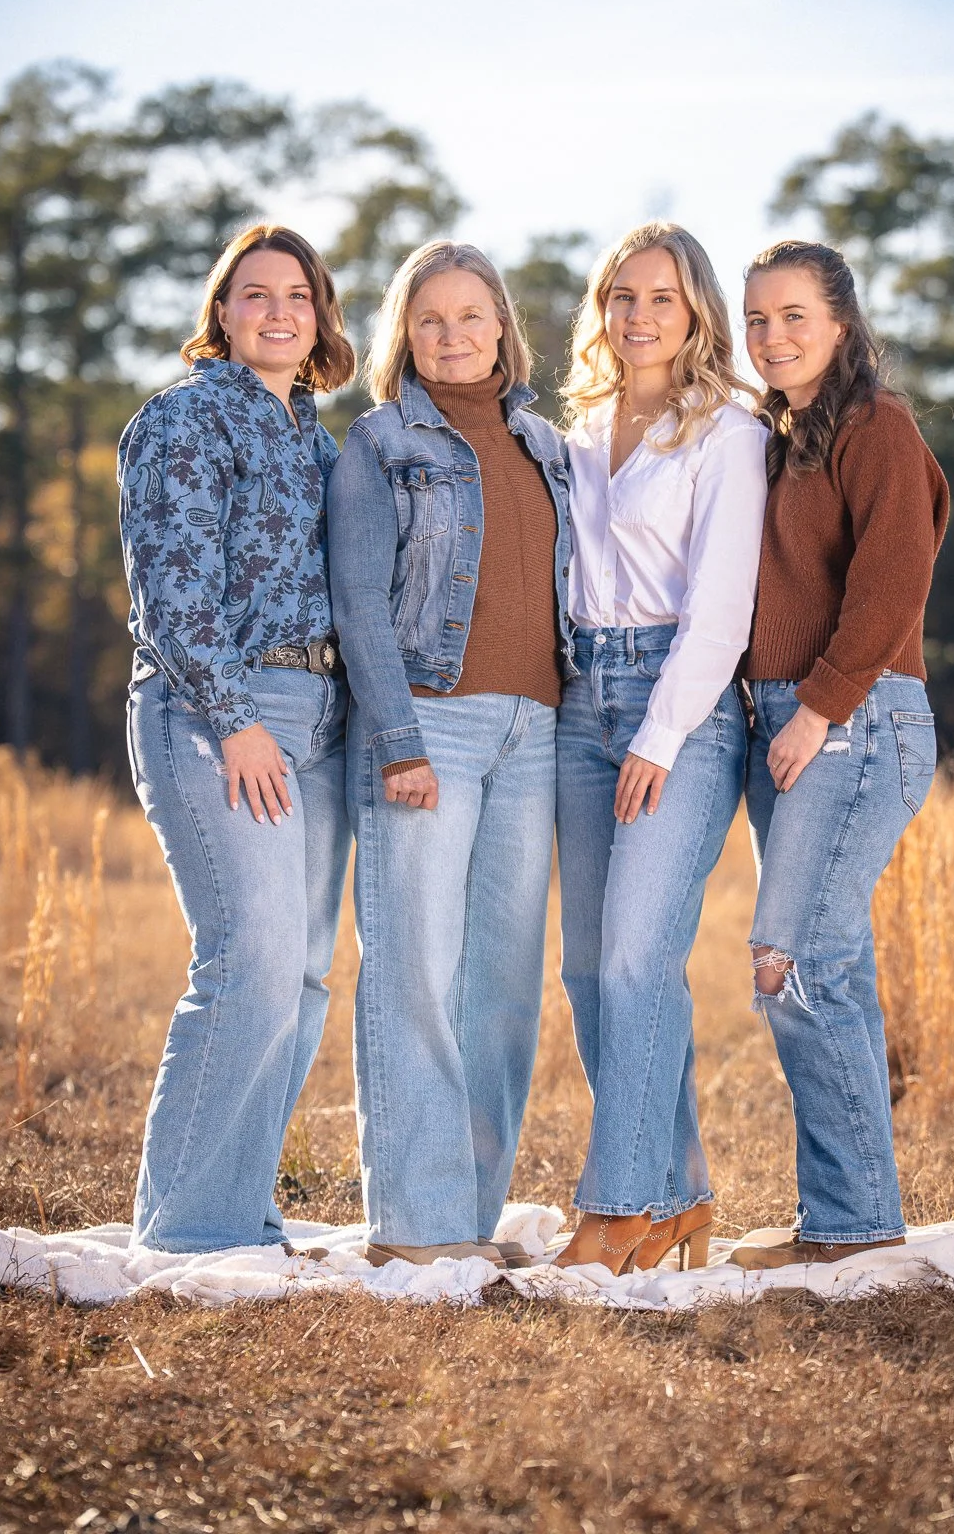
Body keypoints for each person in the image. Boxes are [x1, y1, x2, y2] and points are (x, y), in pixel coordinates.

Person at [327, 240, 574, 1268]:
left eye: (472, 315)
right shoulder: (378, 443)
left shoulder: (548, 443)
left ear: (503, 327)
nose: (453, 334)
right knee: (415, 976)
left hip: (536, 733)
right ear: (406, 335)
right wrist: (396, 741)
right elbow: (358, 607)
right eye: (431, 319)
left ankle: (468, 1216)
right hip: (428, 726)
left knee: (503, 987)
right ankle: (416, 1229)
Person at [119, 224, 355, 1253]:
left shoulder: (319, 439)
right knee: (247, 959)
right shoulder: (185, 419)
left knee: (299, 974)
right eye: (254, 294)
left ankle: (237, 1208)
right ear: (221, 313)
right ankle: (189, 1231)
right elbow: (172, 592)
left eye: (296, 296)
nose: (277, 311)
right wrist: (235, 719)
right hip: (219, 713)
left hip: (321, 718)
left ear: (320, 317)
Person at [553, 222, 768, 1275]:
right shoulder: (580, 424)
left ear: (697, 316)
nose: (638, 317)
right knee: (591, 971)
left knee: (642, 957)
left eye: (663, 300)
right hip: (575, 699)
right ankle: (678, 1195)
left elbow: (723, 607)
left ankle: (621, 1207)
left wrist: (663, 732)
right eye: (622, 297)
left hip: (677, 706)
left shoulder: (728, 430)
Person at [732, 239, 950, 1271]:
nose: (774, 336)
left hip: (857, 720)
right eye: (758, 319)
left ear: (843, 324)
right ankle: (855, 1217)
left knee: (794, 963)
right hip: (794, 720)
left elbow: (893, 579)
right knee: (833, 965)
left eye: (795, 317)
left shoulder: (877, 425)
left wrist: (817, 708)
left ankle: (851, 1223)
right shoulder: (775, 434)